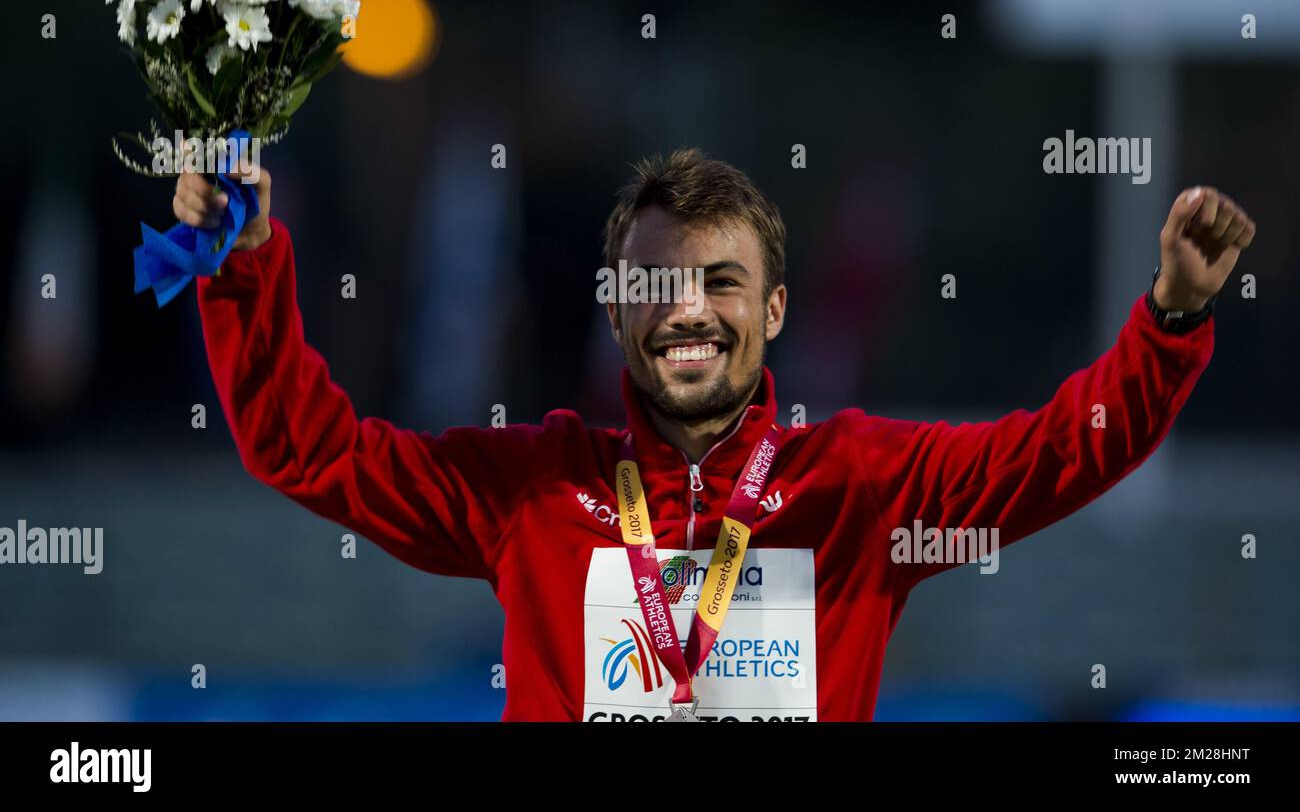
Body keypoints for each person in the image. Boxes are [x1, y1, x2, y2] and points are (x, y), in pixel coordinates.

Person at [179, 149, 1255, 721]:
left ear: (774, 310)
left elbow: (1068, 449)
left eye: (721, 284)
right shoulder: (531, 489)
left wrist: (1167, 322)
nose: (688, 310)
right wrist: (239, 264)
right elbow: (306, 450)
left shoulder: (862, 486)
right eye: (657, 283)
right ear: (616, 312)